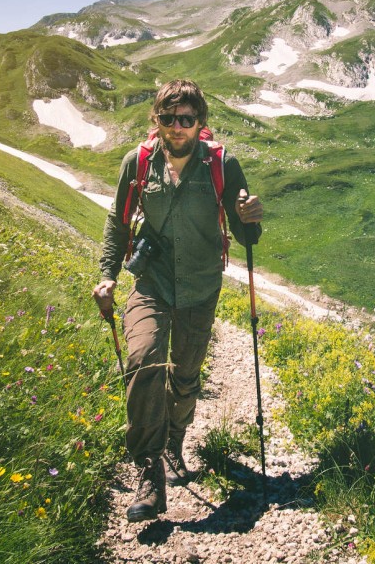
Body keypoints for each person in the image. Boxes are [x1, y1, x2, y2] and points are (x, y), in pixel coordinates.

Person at [93, 79, 263, 523]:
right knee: (143, 359)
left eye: (186, 118)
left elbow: (246, 234)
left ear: (199, 121)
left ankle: (174, 441)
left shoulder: (222, 164)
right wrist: (108, 275)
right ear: (157, 120)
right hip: (150, 281)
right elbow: (118, 222)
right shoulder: (138, 162)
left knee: (185, 376)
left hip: (200, 285)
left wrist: (250, 218)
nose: (176, 126)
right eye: (168, 118)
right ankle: (149, 470)